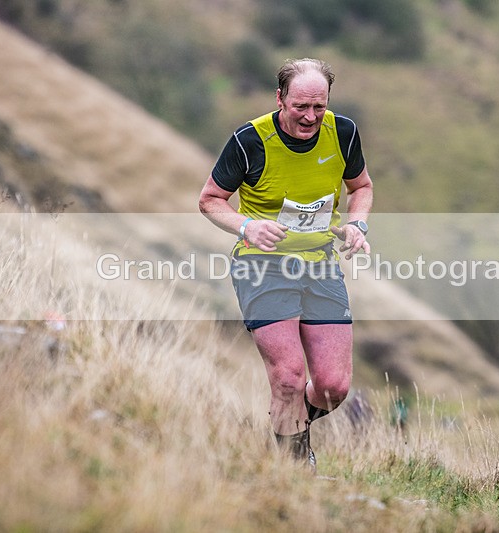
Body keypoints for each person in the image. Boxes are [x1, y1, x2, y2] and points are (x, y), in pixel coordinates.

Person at [198, 58, 373, 471]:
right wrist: (246, 228)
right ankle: (293, 469)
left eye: (319, 106)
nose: (311, 117)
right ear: (280, 98)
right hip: (262, 266)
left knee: (332, 386)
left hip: (319, 264)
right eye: (301, 107)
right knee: (289, 378)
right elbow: (209, 200)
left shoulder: (343, 133)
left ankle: (284, 425)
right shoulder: (249, 141)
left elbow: (361, 187)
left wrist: (357, 224)